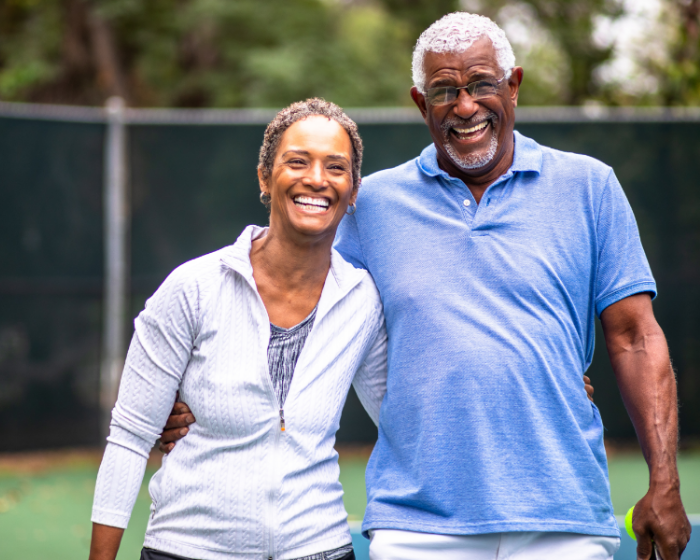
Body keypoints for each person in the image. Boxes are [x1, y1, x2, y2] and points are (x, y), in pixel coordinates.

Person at [165, 11, 691, 560]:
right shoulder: (370, 207)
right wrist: (198, 387)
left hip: (562, 515)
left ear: (513, 87)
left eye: (482, 84)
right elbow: (287, 294)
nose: (465, 106)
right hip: (417, 525)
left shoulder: (590, 187)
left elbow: (635, 337)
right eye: (445, 91)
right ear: (421, 104)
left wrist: (665, 481)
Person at [88, 98, 389, 560]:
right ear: (265, 177)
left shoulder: (362, 300)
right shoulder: (193, 289)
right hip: (188, 549)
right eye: (297, 161)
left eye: (336, 167)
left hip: (320, 547)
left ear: (352, 190)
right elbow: (130, 437)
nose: (316, 179)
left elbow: (400, 418)